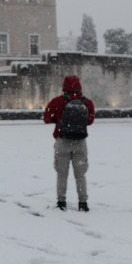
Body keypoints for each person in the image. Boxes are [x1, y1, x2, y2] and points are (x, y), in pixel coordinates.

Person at [43, 75, 95, 212]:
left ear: (64, 87)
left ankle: (61, 202)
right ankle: (83, 203)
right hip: (80, 142)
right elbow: (89, 121)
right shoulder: (87, 102)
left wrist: (60, 120)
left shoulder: (58, 101)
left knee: (62, 174)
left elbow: (46, 118)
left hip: (62, 141)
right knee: (80, 175)